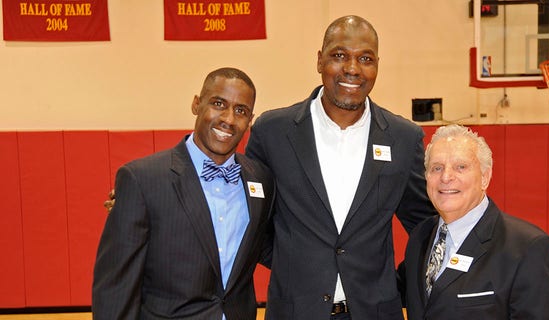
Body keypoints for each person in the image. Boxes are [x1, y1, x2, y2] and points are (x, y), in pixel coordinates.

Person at [244, 15, 436, 320]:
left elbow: (426, 227)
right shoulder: (273, 132)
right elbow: (253, 221)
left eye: (365, 59)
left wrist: (395, 280)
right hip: (295, 312)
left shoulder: (403, 138)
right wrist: (292, 261)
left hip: (375, 312)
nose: (352, 68)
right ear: (320, 61)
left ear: (376, 66)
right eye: (339, 55)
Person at [92, 67, 275, 320]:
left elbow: (269, 246)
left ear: (250, 119)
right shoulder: (143, 179)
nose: (229, 119)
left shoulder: (261, 179)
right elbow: (116, 286)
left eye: (241, 111)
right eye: (218, 103)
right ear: (196, 104)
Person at [402, 124, 549, 320]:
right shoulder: (420, 237)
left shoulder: (528, 248)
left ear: (485, 177)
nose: (446, 177)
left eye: (460, 167)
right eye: (436, 168)